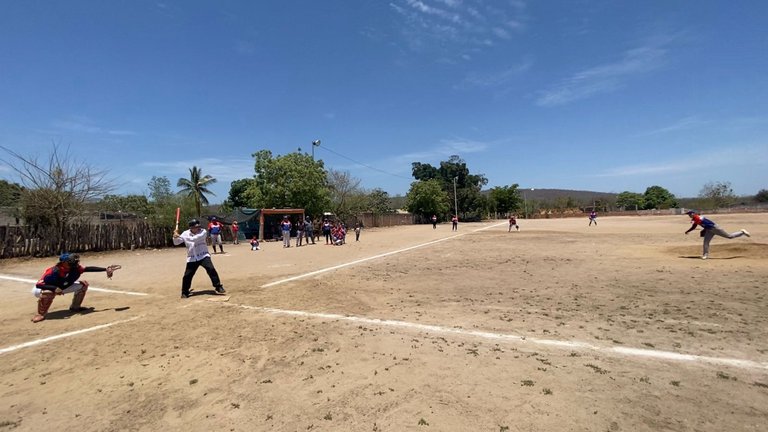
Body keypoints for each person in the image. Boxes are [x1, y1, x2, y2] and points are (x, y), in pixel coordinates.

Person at [31, 253, 119, 323]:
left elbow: (88, 269)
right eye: (71, 261)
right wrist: (54, 288)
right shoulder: (53, 271)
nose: (75, 262)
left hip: (62, 287)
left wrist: (106, 269)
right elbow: (39, 284)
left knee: (83, 285)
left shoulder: (75, 268)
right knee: (48, 293)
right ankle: (40, 314)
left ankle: (75, 307)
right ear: (64, 263)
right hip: (42, 289)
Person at [173, 218, 226, 298]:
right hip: (192, 257)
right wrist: (175, 237)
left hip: (203, 255)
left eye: (198, 226)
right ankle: (185, 292)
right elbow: (176, 243)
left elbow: (194, 239)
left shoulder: (203, 232)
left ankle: (218, 286)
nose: (198, 228)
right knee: (187, 275)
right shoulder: (185, 233)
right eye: (195, 227)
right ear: (191, 227)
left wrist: (181, 237)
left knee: (211, 269)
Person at [684, 210, 750, 259]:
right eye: (688, 214)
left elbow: (706, 224)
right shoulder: (695, 219)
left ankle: (742, 232)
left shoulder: (699, 218)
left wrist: (703, 230)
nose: (689, 215)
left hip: (715, 228)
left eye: (689, 214)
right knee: (706, 243)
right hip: (709, 230)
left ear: (693, 213)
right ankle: (705, 255)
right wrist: (688, 231)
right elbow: (694, 226)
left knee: (729, 236)